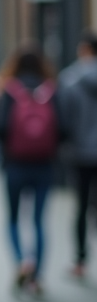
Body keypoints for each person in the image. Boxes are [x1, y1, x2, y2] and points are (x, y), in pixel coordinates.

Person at [0, 46, 60, 297]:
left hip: (15, 164)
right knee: (39, 220)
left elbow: (0, 127)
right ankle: (37, 276)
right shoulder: (49, 90)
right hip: (44, 164)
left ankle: (23, 261)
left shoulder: (10, 90)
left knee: (13, 218)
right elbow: (62, 127)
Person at [59, 32, 97, 279]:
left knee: (81, 207)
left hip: (80, 153)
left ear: (83, 50)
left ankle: (81, 260)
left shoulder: (69, 79)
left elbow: (64, 120)